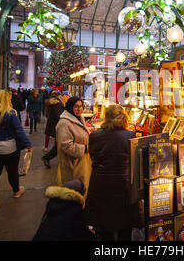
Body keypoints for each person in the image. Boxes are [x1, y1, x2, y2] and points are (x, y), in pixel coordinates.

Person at [84, 104, 136, 241]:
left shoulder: (94, 135)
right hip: (122, 184)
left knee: (103, 225)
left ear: (105, 118)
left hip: (100, 183)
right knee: (124, 226)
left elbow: (93, 156)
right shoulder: (129, 135)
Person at [0, 90, 32, 210]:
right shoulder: (10, 113)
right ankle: (17, 190)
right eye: (9, 99)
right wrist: (28, 145)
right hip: (8, 148)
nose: (10, 101)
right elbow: (19, 131)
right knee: (12, 171)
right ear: (6, 100)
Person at [55, 97, 91, 197]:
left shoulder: (79, 118)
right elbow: (66, 146)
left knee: (82, 190)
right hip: (73, 165)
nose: (79, 109)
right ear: (70, 107)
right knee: (75, 193)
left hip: (81, 163)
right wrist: (85, 148)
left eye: (80, 106)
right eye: (76, 106)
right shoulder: (64, 123)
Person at [42, 91, 65, 168]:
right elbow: (59, 116)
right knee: (60, 144)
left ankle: (47, 157)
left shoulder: (53, 103)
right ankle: (47, 157)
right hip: (56, 126)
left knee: (59, 144)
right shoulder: (57, 104)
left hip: (54, 125)